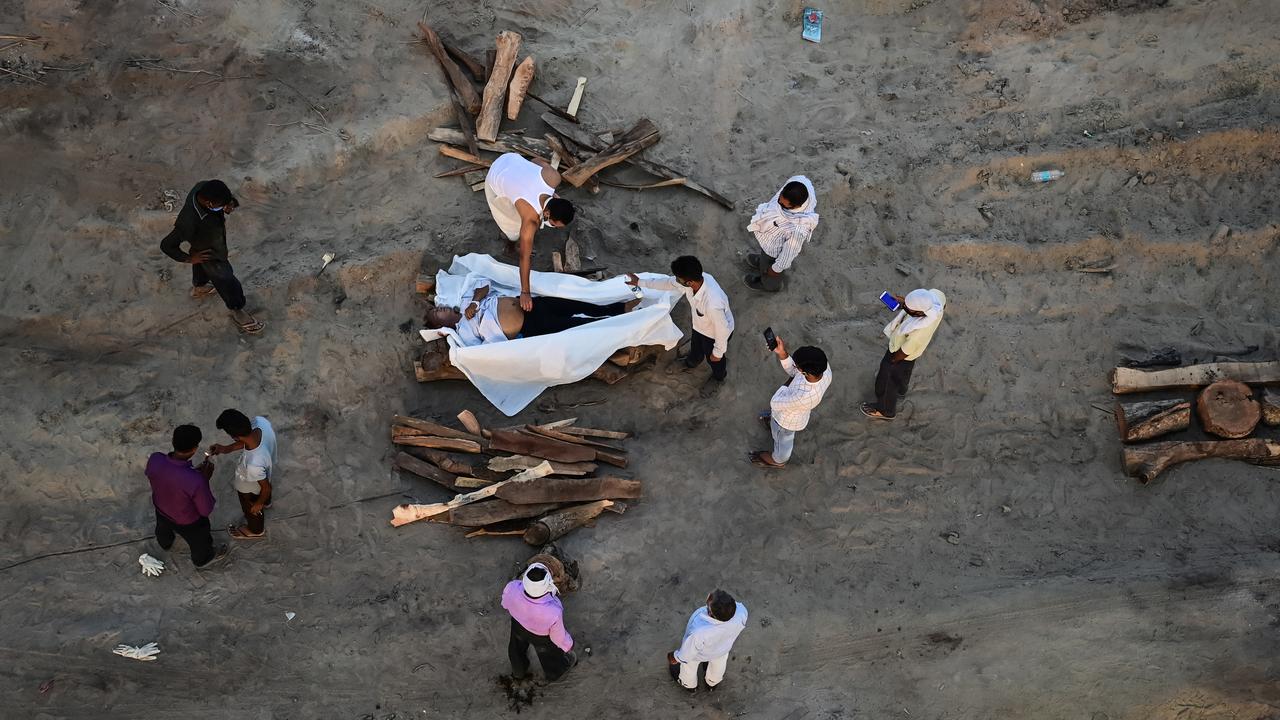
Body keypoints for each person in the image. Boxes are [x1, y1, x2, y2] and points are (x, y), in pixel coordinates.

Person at [159, 179, 264, 334]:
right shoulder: (188, 222)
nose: (224, 208)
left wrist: (229, 204)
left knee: (200, 259)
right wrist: (189, 259)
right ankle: (238, 311)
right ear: (209, 204)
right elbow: (166, 245)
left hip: (204, 246)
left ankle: (200, 286)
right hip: (213, 254)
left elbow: (224, 199)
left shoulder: (201, 187)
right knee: (226, 278)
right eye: (221, 206)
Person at [625, 255, 734, 397]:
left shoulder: (713, 302)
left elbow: (722, 329)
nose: (676, 280)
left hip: (715, 334)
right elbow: (667, 283)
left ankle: (719, 376)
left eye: (678, 278)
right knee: (696, 347)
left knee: (713, 359)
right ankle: (691, 362)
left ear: (689, 282)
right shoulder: (696, 280)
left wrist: (718, 352)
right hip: (700, 326)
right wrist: (639, 282)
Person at [484, 153, 576, 312]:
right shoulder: (530, 221)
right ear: (546, 214)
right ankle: (510, 245)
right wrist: (525, 292)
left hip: (510, 159)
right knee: (512, 228)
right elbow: (524, 258)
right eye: (554, 224)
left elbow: (536, 161)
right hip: (495, 177)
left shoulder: (553, 177)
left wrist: (524, 177)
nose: (554, 227)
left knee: (519, 203)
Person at [424, 280, 633, 346]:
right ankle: (616, 326)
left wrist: (476, 303)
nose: (439, 310)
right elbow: (486, 350)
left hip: (530, 304)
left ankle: (618, 308)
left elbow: (484, 285)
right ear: (442, 325)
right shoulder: (464, 333)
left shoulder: (465, 302)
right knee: (574, 325)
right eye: (436, 314)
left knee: (575, 303)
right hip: (528, 327)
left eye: (436, 308)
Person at [145, 424, 228, 568]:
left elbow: (164, 477)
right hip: (187, 521)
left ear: (173, 442)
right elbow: (205, 510)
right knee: (200, 541)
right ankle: (203, 559)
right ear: (194, 449)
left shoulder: (155, 459)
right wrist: (203, 480)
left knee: (162, 528)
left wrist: (193, 475)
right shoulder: (196, 480)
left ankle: (165, 543)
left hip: (161, 509)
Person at [862, 288, 946, 420]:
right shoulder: (936, 297)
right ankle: (901, 390)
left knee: (888, 378)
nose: (905, 307)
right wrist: (905, 304)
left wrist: (892, 361)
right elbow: (941, 303)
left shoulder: (919, 332)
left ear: (919, 313)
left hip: (900, 353)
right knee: (905, 372)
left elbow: (905, 351)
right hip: (912, 355)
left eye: (908, 308)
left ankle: (886, 411)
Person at [751, 337, 832, 468]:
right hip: (796, 408)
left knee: (782, 441)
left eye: (797, 365)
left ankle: (778, 461)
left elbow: (775, 403)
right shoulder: (825, 368)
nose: (795, 366)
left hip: (786, 421)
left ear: (804, 371)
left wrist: (789, 382)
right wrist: (782, 353)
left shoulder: (804, 396)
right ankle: (771, 421)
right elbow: (795, 373)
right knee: (776, 423)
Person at [501, 563, 577, 681]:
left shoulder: (512, 587)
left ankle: (518, 672)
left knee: (516, 649)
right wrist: (568, 645)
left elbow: (505, 603)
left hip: (518, 626)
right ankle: (555, 674)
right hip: (541, 637)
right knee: (549, 657)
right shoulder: (553, 610)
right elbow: (557, 637)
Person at [743, 175, 819, 292]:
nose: (779, 203)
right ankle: (762, 262)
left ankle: (769, 285)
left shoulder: (798, 228)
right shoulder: (800, 182)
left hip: (774, 252)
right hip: (770, 240)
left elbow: (789, 253)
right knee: (765, 256)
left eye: (784, 205)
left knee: (771, 269)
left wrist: (776, 269)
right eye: (780, 199)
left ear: (798, 206)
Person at [209, 409, 277, 539]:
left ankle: (256, 530)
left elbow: (266, 488)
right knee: (264, 485)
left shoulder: (253, 464)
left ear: (234, 437)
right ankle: (267, 502)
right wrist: (226, 449)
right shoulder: (260, 422)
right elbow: (247, 440)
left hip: (250, 487)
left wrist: (258, 504)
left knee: (250, 508)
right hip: (265, 468)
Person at [667, 589, 748, 692]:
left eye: (709, 602)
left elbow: (687, 654)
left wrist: (674, 657)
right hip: (722, 650)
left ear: (711, 613)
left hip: (699, 655)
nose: (709, 595)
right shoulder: (741, 612)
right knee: (718, 666)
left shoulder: (699, 631)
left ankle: (690, 685)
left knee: (689, 667)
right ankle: (712, 683)